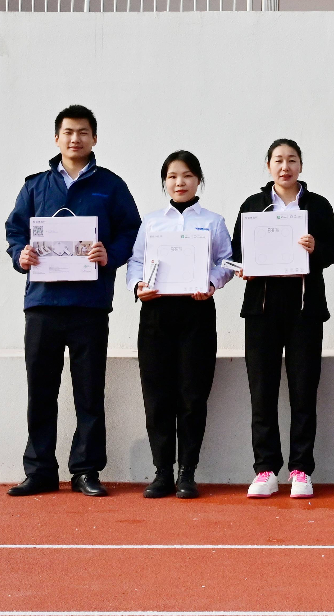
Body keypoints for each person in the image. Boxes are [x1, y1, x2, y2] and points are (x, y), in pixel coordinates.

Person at [4, 104, 142, 498]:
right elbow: (15, 230)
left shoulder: (110, 185)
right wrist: (20, 255)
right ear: (56, 138)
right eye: (67, 132)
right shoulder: (35, 186)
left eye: (82, 132)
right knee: (41, 391)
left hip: (89, 305)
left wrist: (110, 254)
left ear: (94, 138)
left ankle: (85, 470)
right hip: (43, 304)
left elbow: (131, 230)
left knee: (89, 391)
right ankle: (40, 471)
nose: (75, 138)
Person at [232, 138, 334, 499]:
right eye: (278, 160)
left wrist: (315, 248)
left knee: (303, 391)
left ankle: (300, 470)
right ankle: (265, 469)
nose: (285, 167)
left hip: (305, 310)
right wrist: (243, 267)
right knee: (262, 391)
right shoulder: (253, 206)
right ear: (268, 166)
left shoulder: (317, 205)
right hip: (261, 311)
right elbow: (236, 252)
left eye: (292, 160)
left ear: (301, 166)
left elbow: (332, 251)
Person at [124, 150, 234, 500]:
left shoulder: (213, 221)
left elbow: (227, 261)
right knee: (157, 396)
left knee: (192, 395)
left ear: (198, 180)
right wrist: (138, 286)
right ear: (164, 183)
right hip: (156, 313)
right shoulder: (152, 222)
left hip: (196, 313)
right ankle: (162, 473)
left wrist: (212, 283)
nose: (179, 182)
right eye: (172, 176)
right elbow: (136, 261)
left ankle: (187, 472)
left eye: (186, 175)